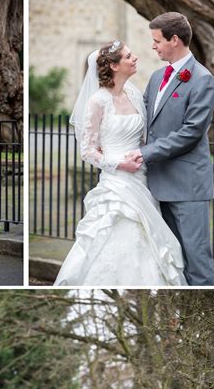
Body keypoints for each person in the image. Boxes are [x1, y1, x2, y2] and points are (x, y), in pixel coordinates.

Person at [54, 41, 186, 286]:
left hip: (142, 179)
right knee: (115, 231)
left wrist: (143, 155)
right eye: (128, 56)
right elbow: (88, 151)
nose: (135, 57)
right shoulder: (97, 101)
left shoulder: (135, 94)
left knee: (148, 234)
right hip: (116, 183)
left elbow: (147, 136)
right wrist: (118, 163)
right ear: (114, 65)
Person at [125, 12, 214, 286]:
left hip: (188, 187)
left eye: (156, 40)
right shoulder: (156, 78)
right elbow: (142, 121)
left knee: (196, 262)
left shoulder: (202, 79)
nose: (153, 46)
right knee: (170, 261)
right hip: (155, 187)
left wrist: (146, 153)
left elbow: (191, 132)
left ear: (174, 39)